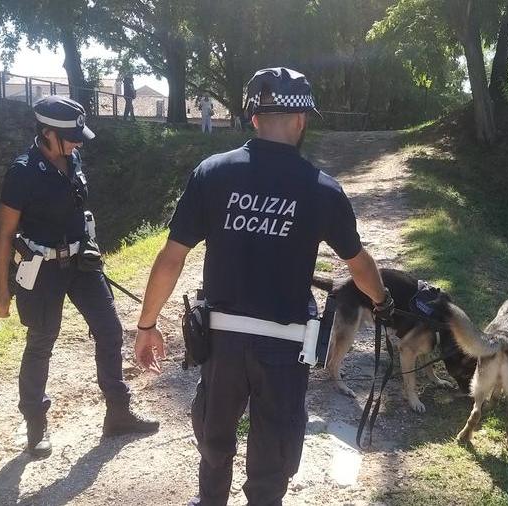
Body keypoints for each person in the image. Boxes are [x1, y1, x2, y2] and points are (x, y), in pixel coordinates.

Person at [133, 68, 393, 506]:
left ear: (253, 117)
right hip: (285, 348)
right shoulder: (323, 191)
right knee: (272, 463)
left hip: (222, 343)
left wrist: (146, 324)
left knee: (214, 447)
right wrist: (383, 301)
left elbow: (170, 257)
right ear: (302, 120)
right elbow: (359, 265)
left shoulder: (211, 174)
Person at [0, 96, 159, 458]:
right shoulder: (22, 172)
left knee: (110, 330)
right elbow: (6, 233)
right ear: (47, 133)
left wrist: (90, 244)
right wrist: (1, 290)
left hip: (82, 264)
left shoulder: (73, 158)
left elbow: (77, 206)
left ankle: (118, 413)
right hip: (43, 269)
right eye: (71, 136)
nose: (79, 142)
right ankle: (35, 427)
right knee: (42, 341)